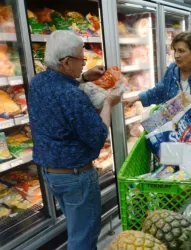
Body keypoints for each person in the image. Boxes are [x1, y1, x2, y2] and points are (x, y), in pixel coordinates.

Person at [28, 30, 122, 250]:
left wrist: (84, 77)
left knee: (76, 230)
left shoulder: (39, 82)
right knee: (84, 239)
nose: (84, 63)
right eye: (82, 59)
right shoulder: (73, 96)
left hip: (52, 174)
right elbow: (98, 136)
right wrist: (109, 103)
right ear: (67, 61)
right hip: (76, 177)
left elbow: (60, 91)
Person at [123, 32, 191, 108]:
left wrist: (186, 102)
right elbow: (160, 90)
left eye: (181, 51)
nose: (176, 55)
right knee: (150, 128)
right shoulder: (172, 69)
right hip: (175, 125)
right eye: (175, 50)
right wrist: (137, 98)